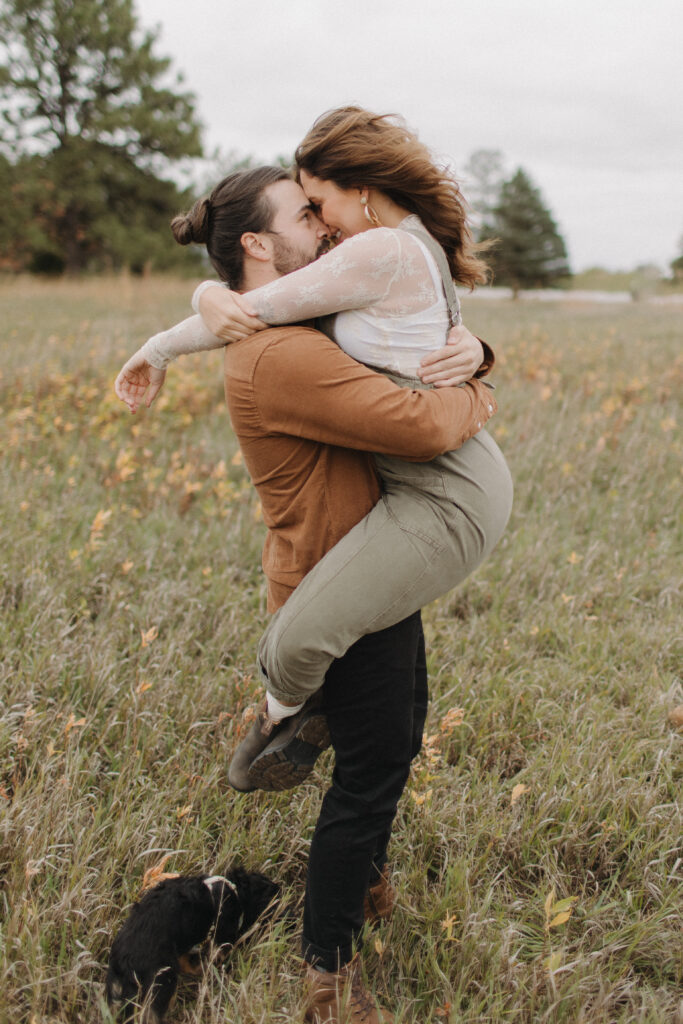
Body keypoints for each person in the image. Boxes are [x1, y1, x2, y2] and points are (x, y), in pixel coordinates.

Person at [115, 163, 503, 1022]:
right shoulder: (281, 354)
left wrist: (475, 345)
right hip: (339, 574)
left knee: (396, 736)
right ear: (257, 243)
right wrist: (476, 385)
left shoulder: (294, 317)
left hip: (376, 560)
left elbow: (394, 331)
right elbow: (421, 420)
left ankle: (355, 871)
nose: (325, 227)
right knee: (366, 775)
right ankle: (327, 972)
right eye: (303, 213)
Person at [118, 107, 513, 797]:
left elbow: (265, 308)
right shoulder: (364, 257)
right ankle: (300, 724)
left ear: (357, 187)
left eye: (318, 203)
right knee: (384, 728)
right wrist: (206, 296)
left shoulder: (377, 249)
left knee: (304, 661)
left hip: (443, 486)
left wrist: (198, 306)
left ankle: (280, 715)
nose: (322, 222)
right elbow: (269, 305)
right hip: (418, 488)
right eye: (306, 213)